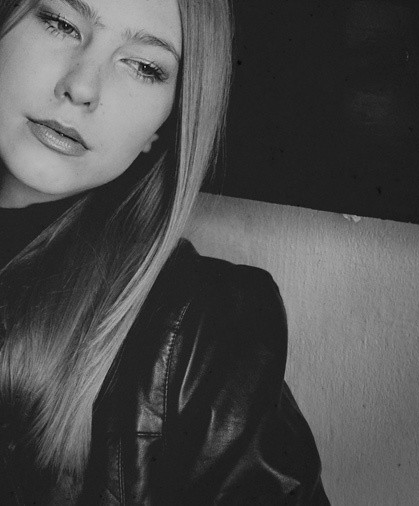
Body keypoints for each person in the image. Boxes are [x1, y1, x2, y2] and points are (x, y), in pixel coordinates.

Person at [0, 0, 330, 503]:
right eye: (62, 23)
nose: (82, 87)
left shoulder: (206, 337)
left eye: (144, 67)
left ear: (166, 123)